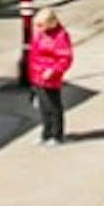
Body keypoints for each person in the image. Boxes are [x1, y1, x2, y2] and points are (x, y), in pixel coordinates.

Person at [24, 8, 73, 143]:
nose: (38, 28)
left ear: (51, 23)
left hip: (50, 76)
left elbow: (65, 58)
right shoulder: (40, 34)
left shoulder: (60, 36)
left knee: (53, 106)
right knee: (43, 107)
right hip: (38, 75)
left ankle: (57, 134)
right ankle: (46, 133)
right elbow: (33, 55)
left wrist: (54, 70)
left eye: (41, 25)